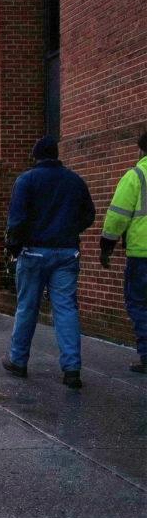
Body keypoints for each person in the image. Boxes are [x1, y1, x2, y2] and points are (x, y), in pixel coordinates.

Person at [2, 136, 95, 389]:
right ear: (56, 155)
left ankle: (18, 361)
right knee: (65, 309)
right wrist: (69, 230)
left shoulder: (26, 180)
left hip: (34, 252)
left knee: (27, 308)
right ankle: (72, 369)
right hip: (66, 253)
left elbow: (16, 219)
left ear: (36, 156)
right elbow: (89, 214)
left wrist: (14, 246)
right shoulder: (74, 180)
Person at [99, 131, 147, 374]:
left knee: (138, 303)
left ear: (141, 150)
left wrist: (107, 245)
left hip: (142, 255)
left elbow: (118, 215)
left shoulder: (136, 175)